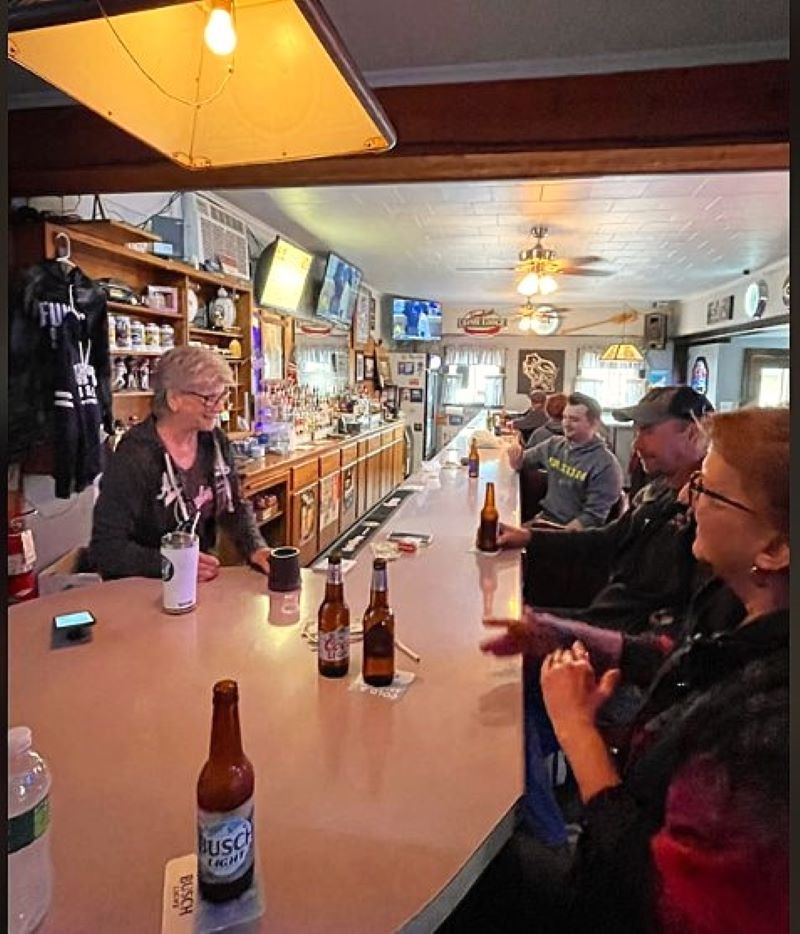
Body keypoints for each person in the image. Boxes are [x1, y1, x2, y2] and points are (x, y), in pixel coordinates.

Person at [484, 407, 789, 933]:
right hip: (623, 815)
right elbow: (672, 658)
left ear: (776, 548)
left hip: (615, 888)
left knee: (481, 877)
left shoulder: (768, 727)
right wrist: (562, 634)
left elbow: (655, 896)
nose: (688, 499)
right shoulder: (733, 605)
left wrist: (579, 732)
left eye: (709, 492)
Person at [499, 386, 714, 632]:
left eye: (647, 430)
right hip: (601, 621)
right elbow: (610, 538)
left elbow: (667, 634)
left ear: (693, 434)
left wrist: (567, 631)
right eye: (636, 430)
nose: (636, 444)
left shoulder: (706, 517)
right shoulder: (658, 493)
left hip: (617, 637)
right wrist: (528, 537)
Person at [89, 346, 270, 582]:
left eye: (222, 396)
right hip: (145, 589)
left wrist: (256, 548)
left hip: (195, 584)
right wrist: (170, 563)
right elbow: (106, 550)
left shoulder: (214, 441)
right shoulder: (134, 455)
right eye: (209, 398)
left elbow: (233, 506)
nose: (220, 407)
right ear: (174, 399)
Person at [508, 392, 623, 531]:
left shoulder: (606, 466)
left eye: (574, 419)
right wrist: (516, 458)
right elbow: (522, 462)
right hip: (544, 520)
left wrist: (553, 537)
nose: (566, 424)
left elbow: (592, 518)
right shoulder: (554, 445)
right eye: (564, 417)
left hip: (572, 534)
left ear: (594, 424)